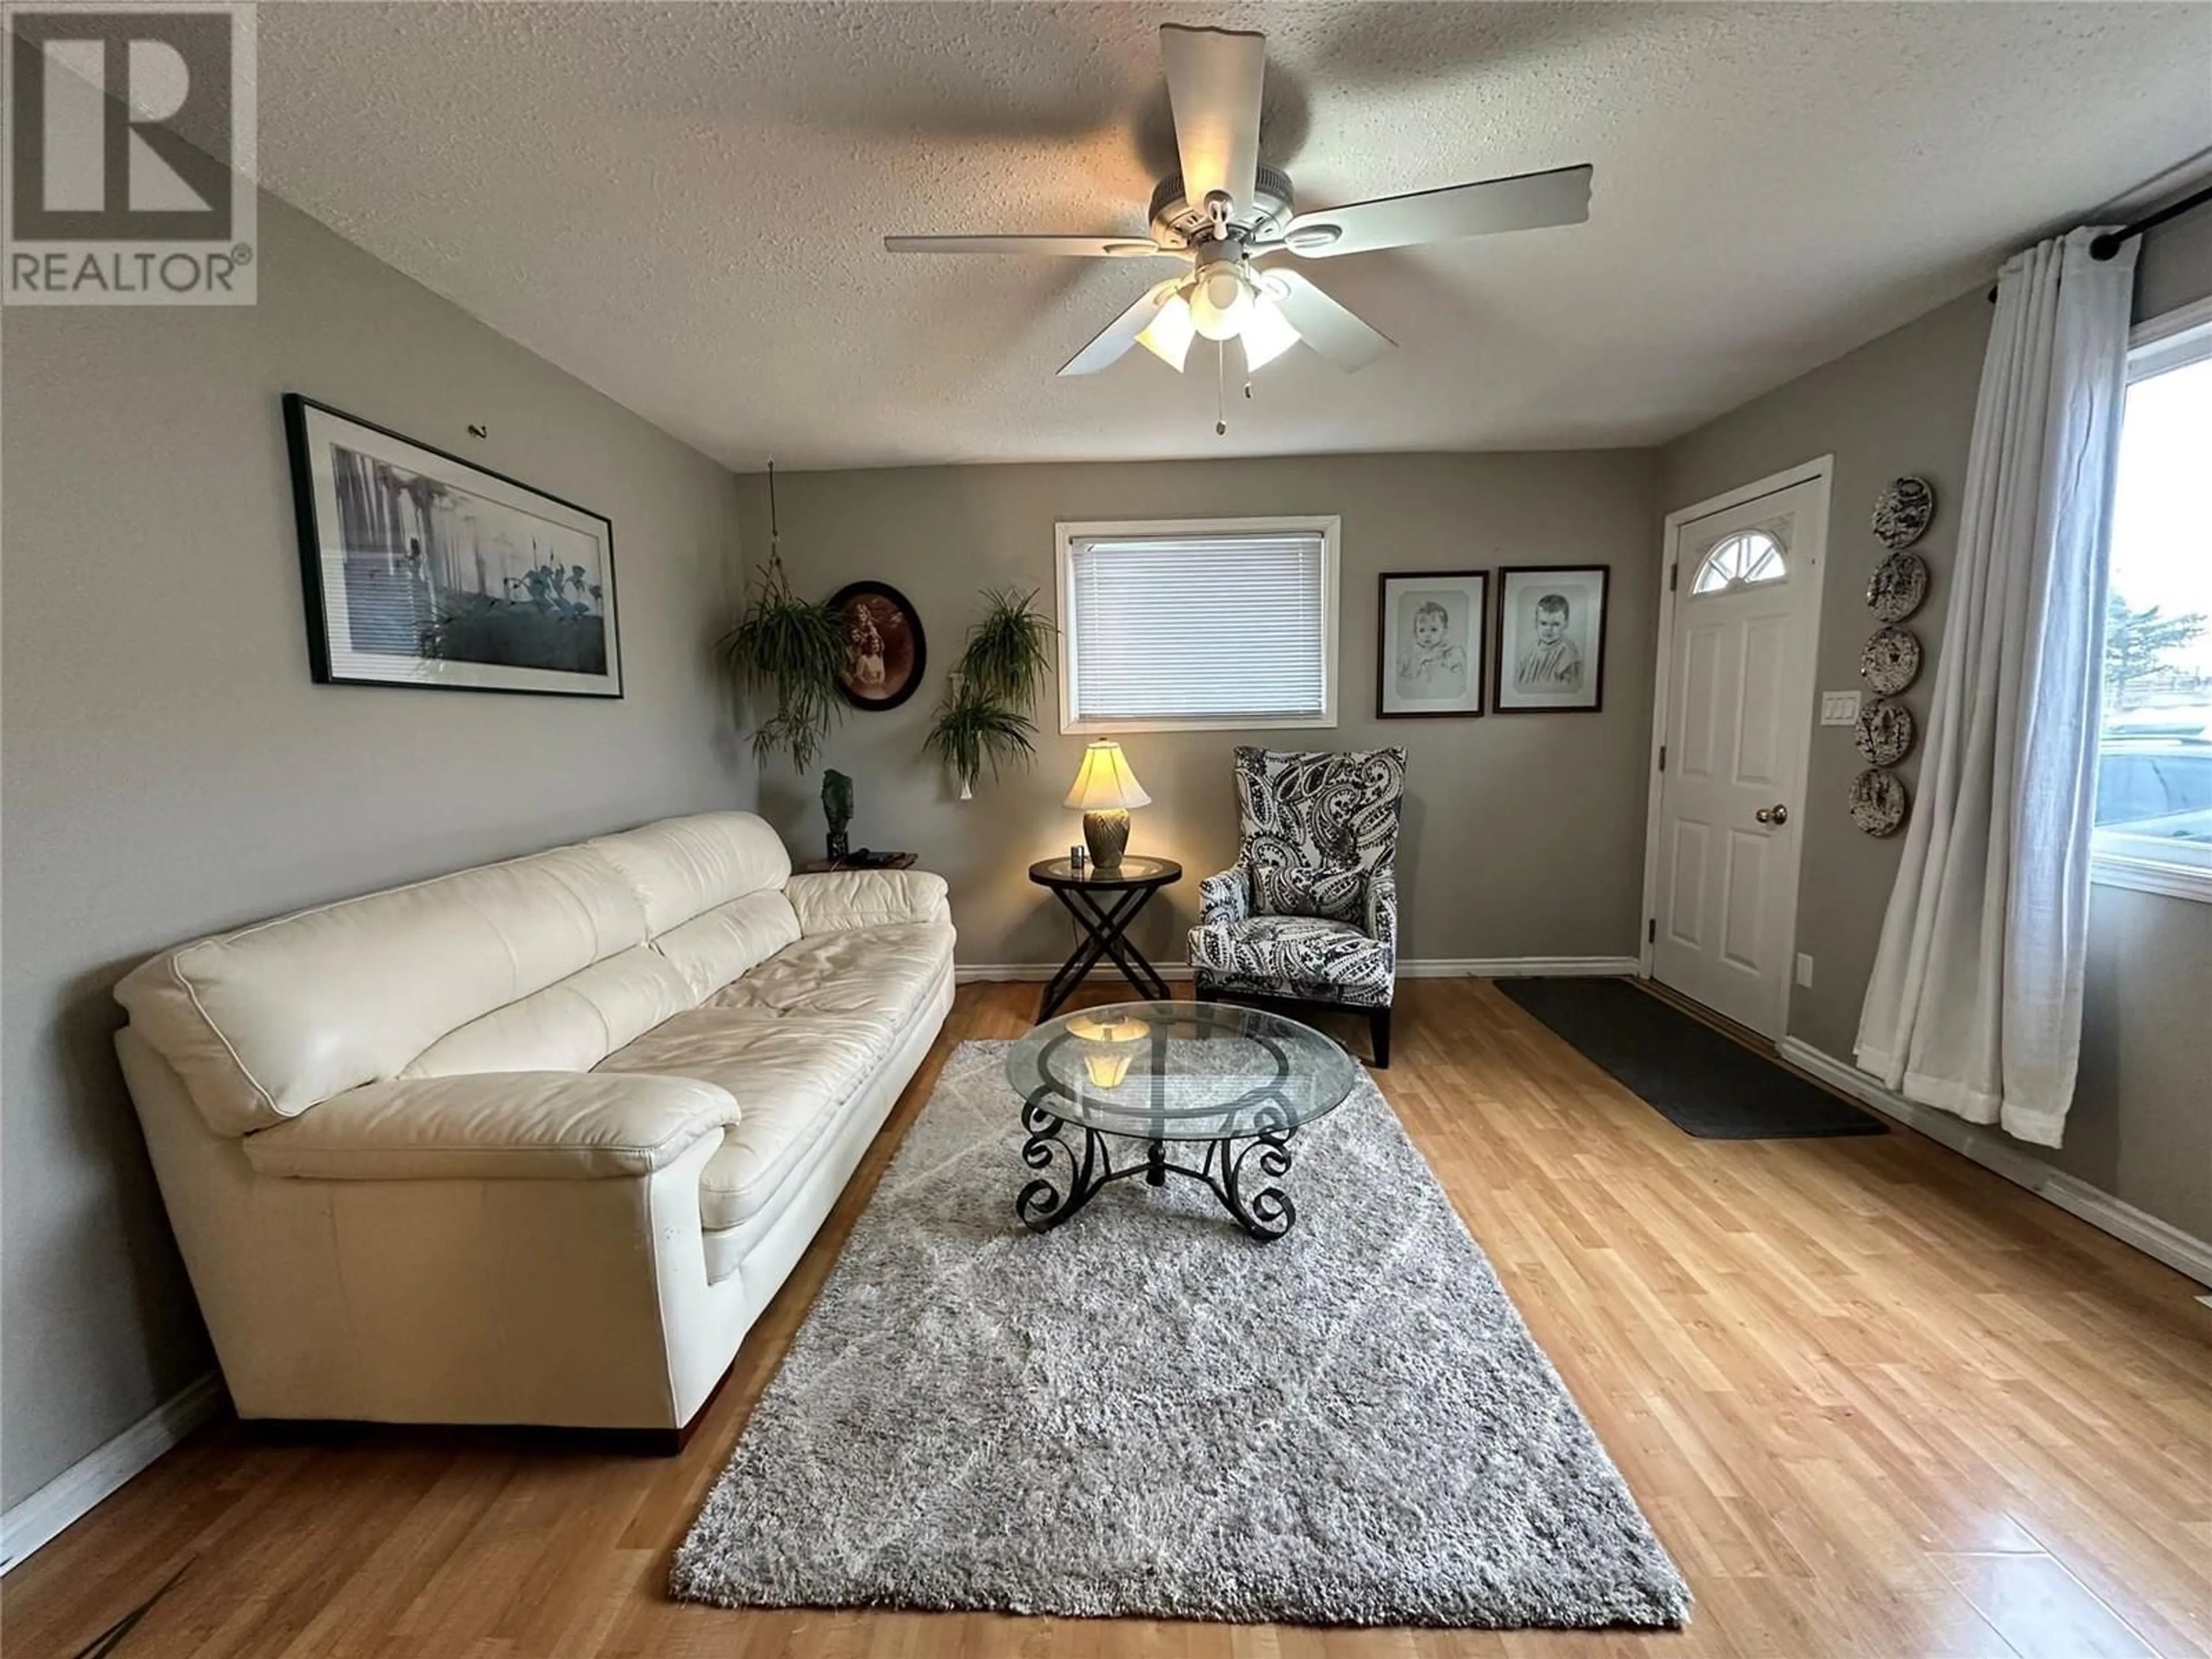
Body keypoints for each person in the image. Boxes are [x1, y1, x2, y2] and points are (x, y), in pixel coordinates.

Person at [1394, 598, 1467, 699]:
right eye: (1422, 630)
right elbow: (1401, 677)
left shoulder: (1450, 652)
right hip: (1418, 694)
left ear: (1444, 631)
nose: (1427, 635)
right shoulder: (1411, 654)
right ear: (1415, 632)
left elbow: (1458, 677)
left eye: (1434, 630)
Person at [1515, 593, 1582, 691]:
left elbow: (1567, 690)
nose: (1549, 629)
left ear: (1566, 624)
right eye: (1543, 623)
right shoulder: (1529, 652)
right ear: (1536, 623)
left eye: (1555, 624)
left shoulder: (1570, 655)